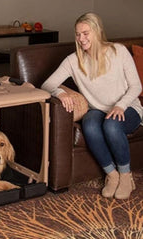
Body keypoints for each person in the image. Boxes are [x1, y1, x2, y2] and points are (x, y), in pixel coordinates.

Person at [41, 12, 143, 199]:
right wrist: (61, 93)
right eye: (78, 34)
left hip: (128, 108)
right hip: (98, 110)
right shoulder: (73, 60)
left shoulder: (118, 51)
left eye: (86, 33)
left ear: (97, 31)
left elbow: (137, 86)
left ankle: (126, 176)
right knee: (89, 124)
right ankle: (112, 175)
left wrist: (120, 105)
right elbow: (47, 84)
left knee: (111, 125)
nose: (81, 39)